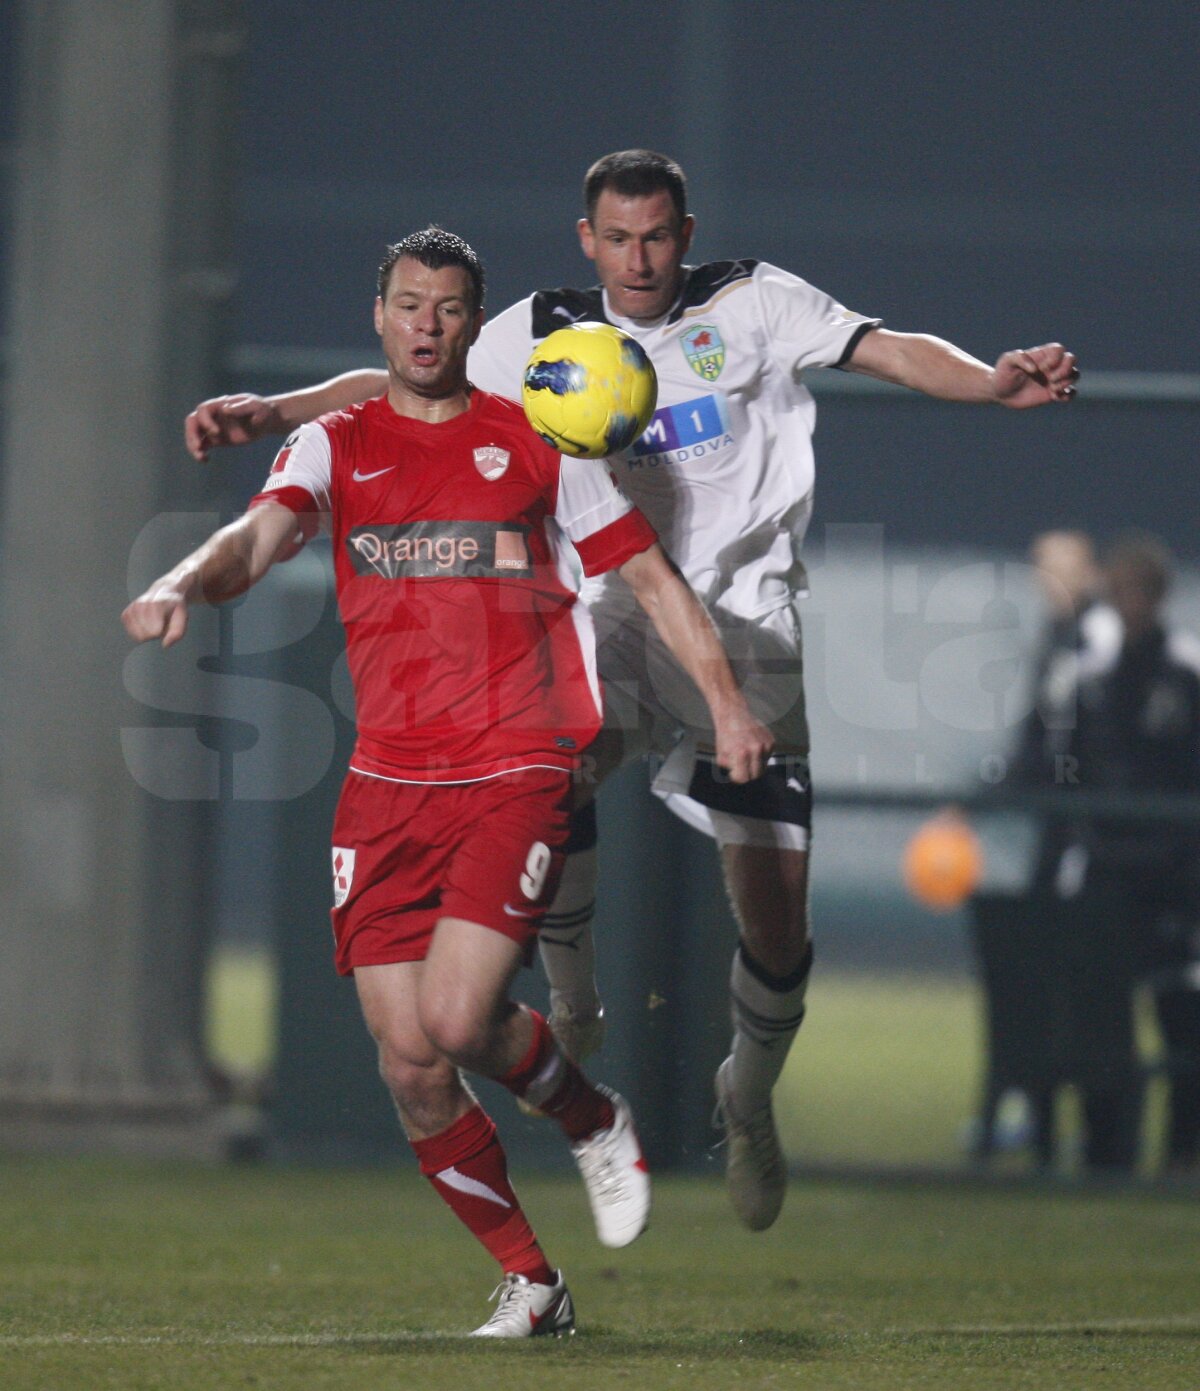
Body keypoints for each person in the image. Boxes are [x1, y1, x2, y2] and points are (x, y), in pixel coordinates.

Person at [184, 150, 1079, 1231]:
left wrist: (988, 376)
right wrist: (275, 410)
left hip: (741, 628)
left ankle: (746, 1088)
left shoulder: (755, 301)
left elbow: (888, 349)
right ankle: (573, 996)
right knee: (542, 764)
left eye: (656, 236)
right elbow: (406, 382)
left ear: (685, 232)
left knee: (777, 919)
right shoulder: (546, 329)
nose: (639, 257)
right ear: (586, 241)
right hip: (605, 607)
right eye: (618, 238)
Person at [127, 228, 773, 1336]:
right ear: (377, 315)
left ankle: (590, 1115)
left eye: (449, 307)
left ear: (476, 328)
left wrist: (724, 702)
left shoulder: (539, 440)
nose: (427, 323)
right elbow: (256, 537)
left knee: (459, 1013)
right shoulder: (336, 443)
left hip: (515, 761)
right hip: (386, 781)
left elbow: (653, 581)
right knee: (411, 1063)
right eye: (409, 303)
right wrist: (185, 578)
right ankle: (535, 1280)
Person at [1065, 534, 1200, 1171]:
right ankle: (1106, 1151)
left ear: (1159, 597)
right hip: (1108, 870)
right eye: (1121, 592)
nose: (1131, 604)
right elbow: (1063, 766)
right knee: (1100, 1019)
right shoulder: (1089, 677)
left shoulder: (1186, 673)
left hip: (1176, 876)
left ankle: (1183, 1151)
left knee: (1182, 1015)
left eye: (1141, 591)